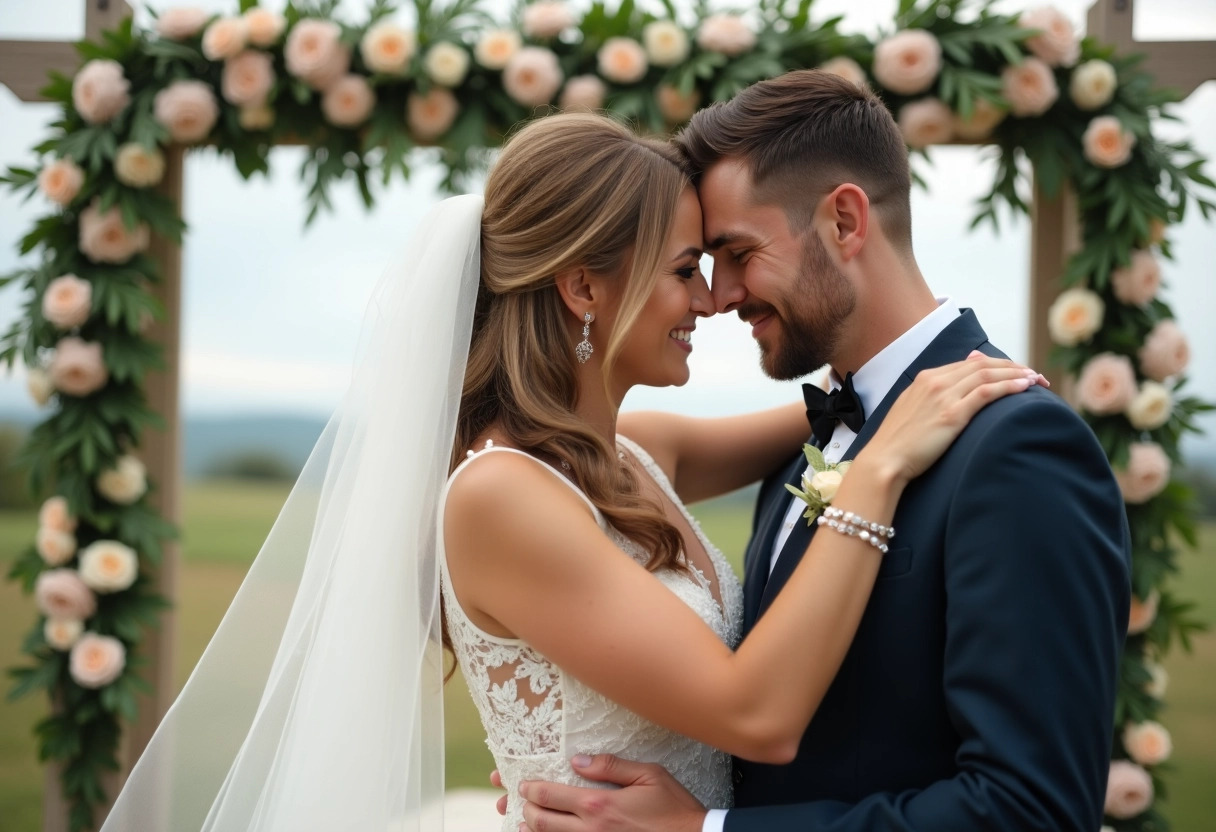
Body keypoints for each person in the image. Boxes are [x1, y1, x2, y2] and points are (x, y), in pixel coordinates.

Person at [99, 112, 1039, 832]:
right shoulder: (502, 496)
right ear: (584, 287)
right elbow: (756, 714)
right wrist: (872, 485)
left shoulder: (642, 453)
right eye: (685, 270)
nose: (711, 301)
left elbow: (851, 410)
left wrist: (948, 372)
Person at [512, 72, 1132, 832]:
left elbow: (1032, 811)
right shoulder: (817, 441)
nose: (721, 294)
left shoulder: (1017, 449)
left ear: (843, 221)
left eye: (737, 253)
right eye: (700, 265)